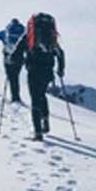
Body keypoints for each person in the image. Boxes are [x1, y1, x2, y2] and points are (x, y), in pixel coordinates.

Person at [24, 13, 65, 141]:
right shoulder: (52, 39)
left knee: (35, 99)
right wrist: (60, 69)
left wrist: (12, 61)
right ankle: (45, 120)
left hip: (33, 71)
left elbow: (16, 52)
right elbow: (60, 53)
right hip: (47, 73)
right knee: (42, 95)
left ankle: (38, 133)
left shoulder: (28, 36)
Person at [0, 18, 27, 103]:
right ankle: (16, 96)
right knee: (15, 76)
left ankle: (15, 98)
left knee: (11, 77)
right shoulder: (23, 33)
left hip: (8, 57)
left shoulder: (4, 32)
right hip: (20, 58)